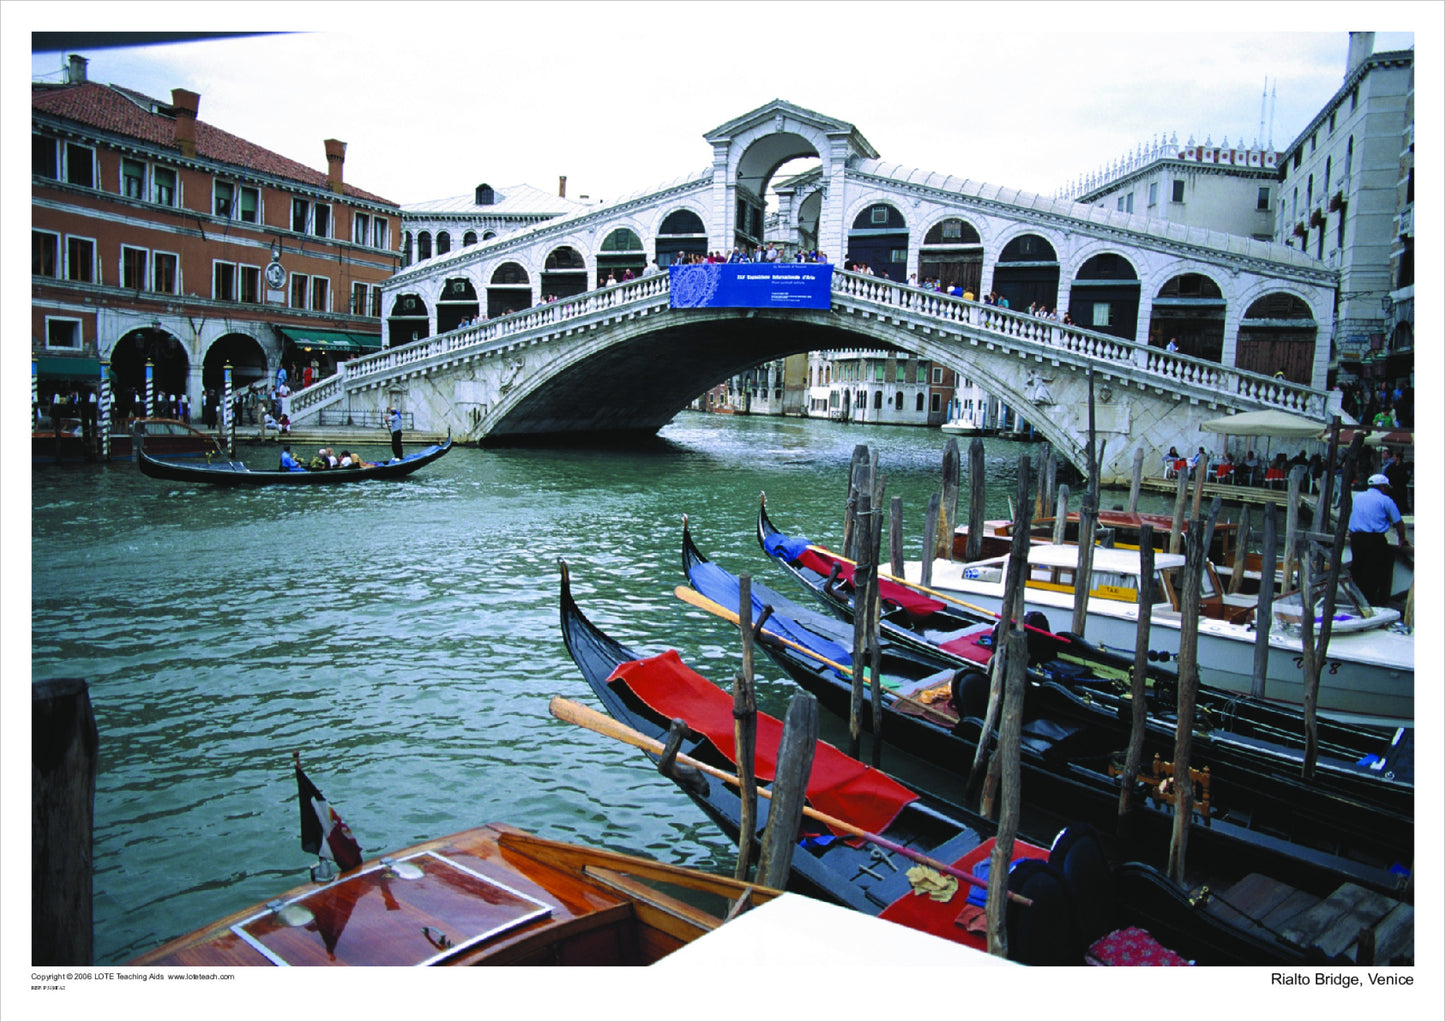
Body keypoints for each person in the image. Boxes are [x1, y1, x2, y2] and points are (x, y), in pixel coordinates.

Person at [1347, 474, 1410, 605]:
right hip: (1375, 540)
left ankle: (1358, 602)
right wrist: (1402, 539)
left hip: (1357, 539)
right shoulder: (1385, 500)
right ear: (1383, 487)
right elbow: (1398, 523)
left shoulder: (1358, 497)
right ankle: (1376, 603)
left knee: (1358, 570)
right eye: (1386, 487)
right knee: (1377, 573)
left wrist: (1351, 531)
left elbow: (1355, 517)